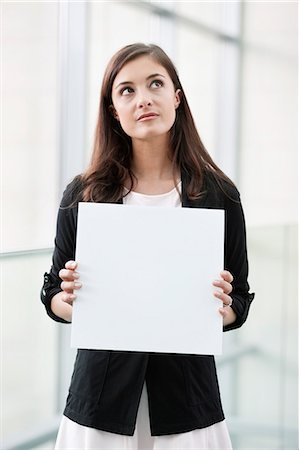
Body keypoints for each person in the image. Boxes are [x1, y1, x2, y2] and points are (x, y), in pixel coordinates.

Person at [41, 42, 254, 449]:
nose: (143, 99)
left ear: (176, 97)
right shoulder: (84, 195)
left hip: (187, 402)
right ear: (113, 112)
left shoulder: (217, 195)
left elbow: (239, 300)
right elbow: (53, 292)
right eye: (127, 90)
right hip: (100, 400)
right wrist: (69, 299)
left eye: (155, 84)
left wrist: (221, 309)